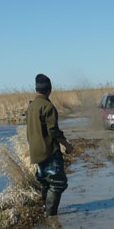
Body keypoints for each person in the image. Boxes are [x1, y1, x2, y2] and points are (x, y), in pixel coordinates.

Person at [26, 74, 73, 217]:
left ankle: (46, 211)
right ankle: (51, 216)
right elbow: (53, 131)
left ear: (36, 89)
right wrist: (67, 145)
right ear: (49, 89)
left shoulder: (31, 106)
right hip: (49, 151)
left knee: (45, 182)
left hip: (36, 152)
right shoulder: (48, 107)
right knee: (59, 183)